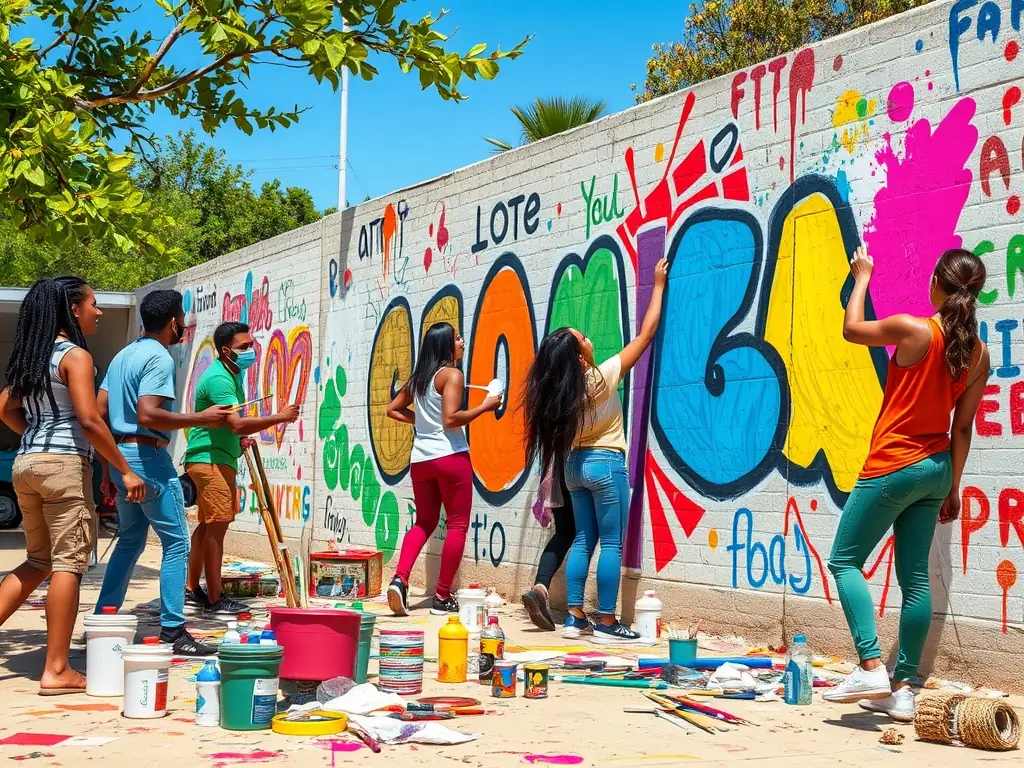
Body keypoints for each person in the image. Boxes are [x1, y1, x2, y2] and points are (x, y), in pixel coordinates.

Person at [823, 247, 990, 721]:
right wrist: (953, 487)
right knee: (916, 579)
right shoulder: (978, 354)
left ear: (937, 283)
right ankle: (902, 691)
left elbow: (851, 328)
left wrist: (862, 277)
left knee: (844, 560)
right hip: (936, 470)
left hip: (894, 464)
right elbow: (962, 429)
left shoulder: (914, 328)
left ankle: (872, 664)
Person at [0, 277, 145, 694]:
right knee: (68, 564)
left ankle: (57, 665)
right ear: (72, 309)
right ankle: (57, 670)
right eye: (93, 304)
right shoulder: (75, 357)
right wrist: (124, 470)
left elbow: (5, 408)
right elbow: (89, 419)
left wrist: (36, 434)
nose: (97, 311)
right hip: (63, 466)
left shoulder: (31, 356)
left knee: (37, 561)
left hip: (27, 463)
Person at [522, 257, 669, 644]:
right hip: (605, 463)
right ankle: (606, 621)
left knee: (584, 539)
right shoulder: (599, 378)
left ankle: (574, 617)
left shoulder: (559, 395)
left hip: (574, 467)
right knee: (612, 543)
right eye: (583, 338)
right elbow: (646, 335)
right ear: (578, 356)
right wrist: (657, 285)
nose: (589, 339)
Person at [94, 289, 231, 657]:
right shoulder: (159, 357)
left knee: (130, 541)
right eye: (182, 317)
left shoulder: (124, 355)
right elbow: (149, 414)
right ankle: (173, 628)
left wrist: (109, 468)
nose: (183, 324)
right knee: (177, 544)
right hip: (148, 457)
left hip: (123, 456)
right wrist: (200, 418)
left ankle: (104, 618)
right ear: (173, 322)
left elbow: (98, 411)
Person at [183, 321, 299, 618]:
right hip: (211, 460)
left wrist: (241, 436)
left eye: (251, 345)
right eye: (244, 347)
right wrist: (279, 418)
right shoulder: (220, 378)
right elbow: (235, 423)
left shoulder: (233, 374)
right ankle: (214, 596)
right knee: (218, 526)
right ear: (226, 350)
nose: (250, 351)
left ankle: (192, 589)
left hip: (215, 457)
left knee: (209, 525)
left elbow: (230, 425)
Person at [384, 322, 501, 616]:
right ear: (446, 345)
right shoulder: (452, 375)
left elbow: (392, 409)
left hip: (421, 460)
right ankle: (441, 597)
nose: (462, 341)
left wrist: (423, 425)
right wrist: (487, 407)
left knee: (424, 522)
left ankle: (400, 579)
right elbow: (451, 419)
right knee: (458, 525)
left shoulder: (419, 379)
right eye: (457, 337)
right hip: (450, 457)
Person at [521, 454, 575, 631]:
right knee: (587, 536)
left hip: (559, 468)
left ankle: (540, 587)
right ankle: (577, 613)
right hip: (584, 462)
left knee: (563, 533)